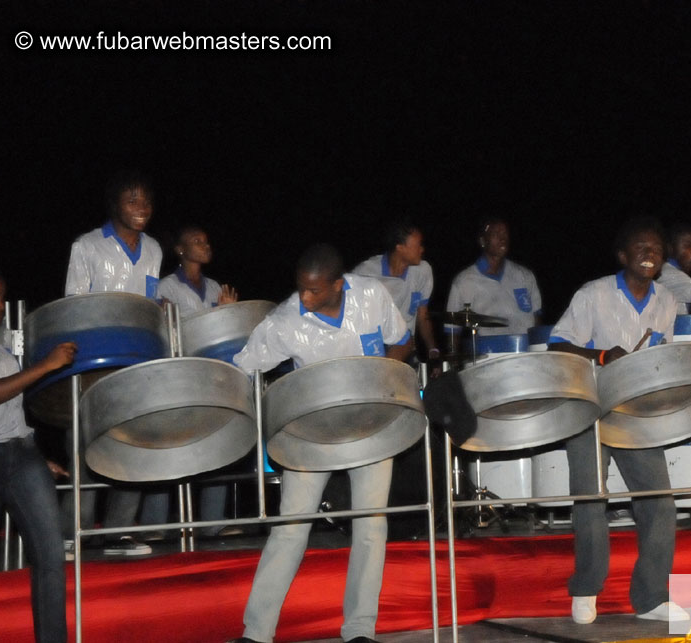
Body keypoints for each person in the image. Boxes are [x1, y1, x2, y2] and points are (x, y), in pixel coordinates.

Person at [229, 243, 411, 643]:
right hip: (309, 430)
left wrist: (388, 376)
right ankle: (256, 633)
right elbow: (241, 368)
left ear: (338, 285)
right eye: (301, 290)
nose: (305, 299)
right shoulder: (283, 321)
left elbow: (403, 340)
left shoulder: (371, 295)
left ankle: (360, 629)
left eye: (314, 291)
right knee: (290, 527)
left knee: (370, 526)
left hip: (370, 422)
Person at [548, 216, 688, 624]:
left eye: (657, 249)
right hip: (590, 405)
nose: (650, 255)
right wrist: (604, 357)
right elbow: (558, 343)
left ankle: (651, 598)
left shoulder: (667, 300)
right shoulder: (593, 294)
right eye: (642, 248)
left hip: (636, 411)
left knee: (659, 504)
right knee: (592, 499)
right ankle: (587, 588)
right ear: (623, 255)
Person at [63, 169, 163, 557]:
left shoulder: (153, 249)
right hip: (94, 360)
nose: (142, 208)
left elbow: (150, 300)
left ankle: (121, 531)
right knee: (85, 447)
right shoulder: (87, 245)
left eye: (147, 201)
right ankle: (75, 530)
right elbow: (73, 304)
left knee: (131, 446)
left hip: (136, 360)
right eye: (133, 200)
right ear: (115, 205)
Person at [0, 260, 77, 643]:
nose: (1, 306)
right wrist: (44, 367)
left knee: (51, 558)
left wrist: (35, 454)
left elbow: (9, 407)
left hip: (21, 455)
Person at [143, 225, 239, 538]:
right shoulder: (164, 287)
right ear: (181, 250)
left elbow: (225, 335)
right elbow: (159, 330)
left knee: (217, 444)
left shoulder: (214, 288)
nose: (205, 244)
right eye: (197, 241)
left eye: (207, 240)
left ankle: (213, 522)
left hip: (211, 376)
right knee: (170, 445)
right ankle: (155, 525)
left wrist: (228, 313)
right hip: (177, 377)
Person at [354, 221, 438, 363]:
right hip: (377, 351)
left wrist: (432, 349)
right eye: (418, 245)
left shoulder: (423, 271)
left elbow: (423, 315)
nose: (422, 249)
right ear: (400, 248)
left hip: (406, 348)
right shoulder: (365, 273)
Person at [445, 218, 542, 337]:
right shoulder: (464, 282)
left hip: (525, 350)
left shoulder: (525, 276)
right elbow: (452, 330)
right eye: (496, 234)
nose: (502, 239)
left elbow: (537, 318)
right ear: (482, 241)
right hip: (490, 352)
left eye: (505, 234)